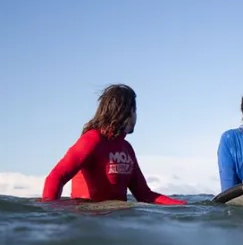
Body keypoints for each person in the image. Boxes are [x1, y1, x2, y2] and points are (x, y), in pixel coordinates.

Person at [42, 84, 186, 205]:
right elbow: (55, 177)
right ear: (128, 112)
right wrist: (48, 216)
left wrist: (183, 206)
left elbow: (144, 195)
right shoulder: (92, 140)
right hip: (89, 222)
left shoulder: (127, 149)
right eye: (135, 111)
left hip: (118, 223)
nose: (136, 116)